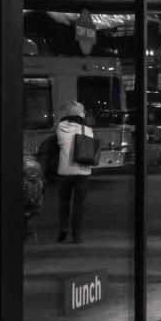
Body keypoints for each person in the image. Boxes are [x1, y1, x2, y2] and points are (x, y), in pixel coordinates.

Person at [54, 101, 93, 244]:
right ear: (80, 113)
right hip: (81, 172)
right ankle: (77, 235)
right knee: (79, 204)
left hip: (64, 171)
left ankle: (63, 228)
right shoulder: (86, 129)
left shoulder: (60, 128)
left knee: (63, 202)